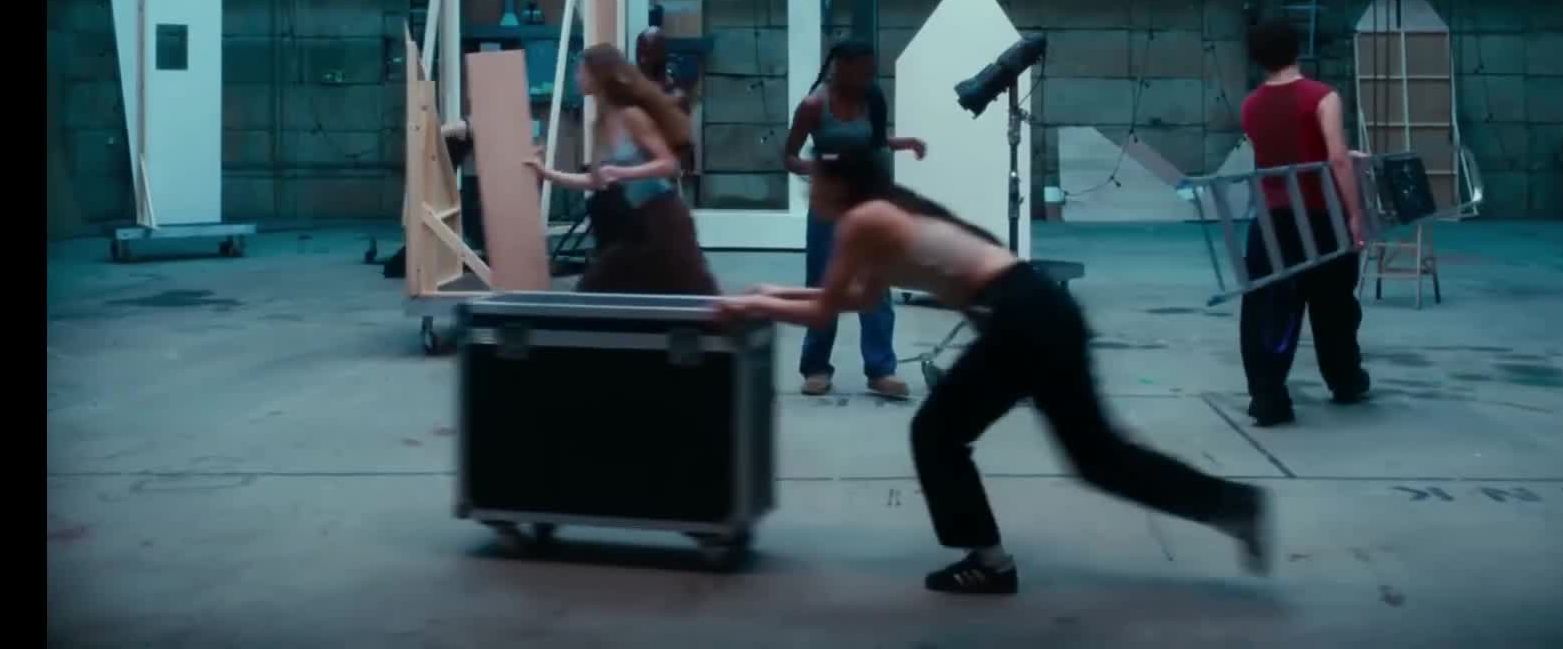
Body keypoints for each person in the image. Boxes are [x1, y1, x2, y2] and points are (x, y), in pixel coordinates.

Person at [714, 142, 1271, 594]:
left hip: (1018, 316)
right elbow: (858, 299)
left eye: (814, 179)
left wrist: (754, 304)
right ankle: (1234, 506)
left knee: (937, 433)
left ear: (840, 184)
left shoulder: (863, 221)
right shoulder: (881, 214)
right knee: (1097, 457)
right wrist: (772, 292)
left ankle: (989, 563)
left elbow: (826, 310)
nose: (808, 188)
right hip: (1037, 309)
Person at [1237, 19, 1373, 427]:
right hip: (1320, 214)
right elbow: (1336, 160)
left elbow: (1280, 152)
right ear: (1296, 49)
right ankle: (1345, 380)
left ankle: (1268, 397)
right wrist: (1355, 214)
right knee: (1334, 304)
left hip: (1272, 217)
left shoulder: (1250, 105)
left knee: (1267, 306)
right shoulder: (1322, 96)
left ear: (1257, 59)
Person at [781, 40, 928, 399]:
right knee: (822, 284)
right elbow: (789, 156)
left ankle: (881, 370)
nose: (869, 76)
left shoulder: (871, 98)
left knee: (877, 284)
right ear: (841, 68)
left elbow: (874, 141)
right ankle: (815, 367)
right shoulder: (814, 106)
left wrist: (904, 142)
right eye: (862, 70)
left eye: (870, 70)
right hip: (828, 207)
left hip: (868, 202)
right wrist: (820, 169)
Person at [528, 44, 717, 295]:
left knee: (694, 300)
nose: (577, 77)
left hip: (662, 220)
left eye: (581, 71)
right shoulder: (601, 124)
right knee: (601, 292)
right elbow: (596, 181)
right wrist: (546, 173)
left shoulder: (632, 117)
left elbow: (669, 165)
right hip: (632, 226)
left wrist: (622, 173)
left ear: (599, 75)